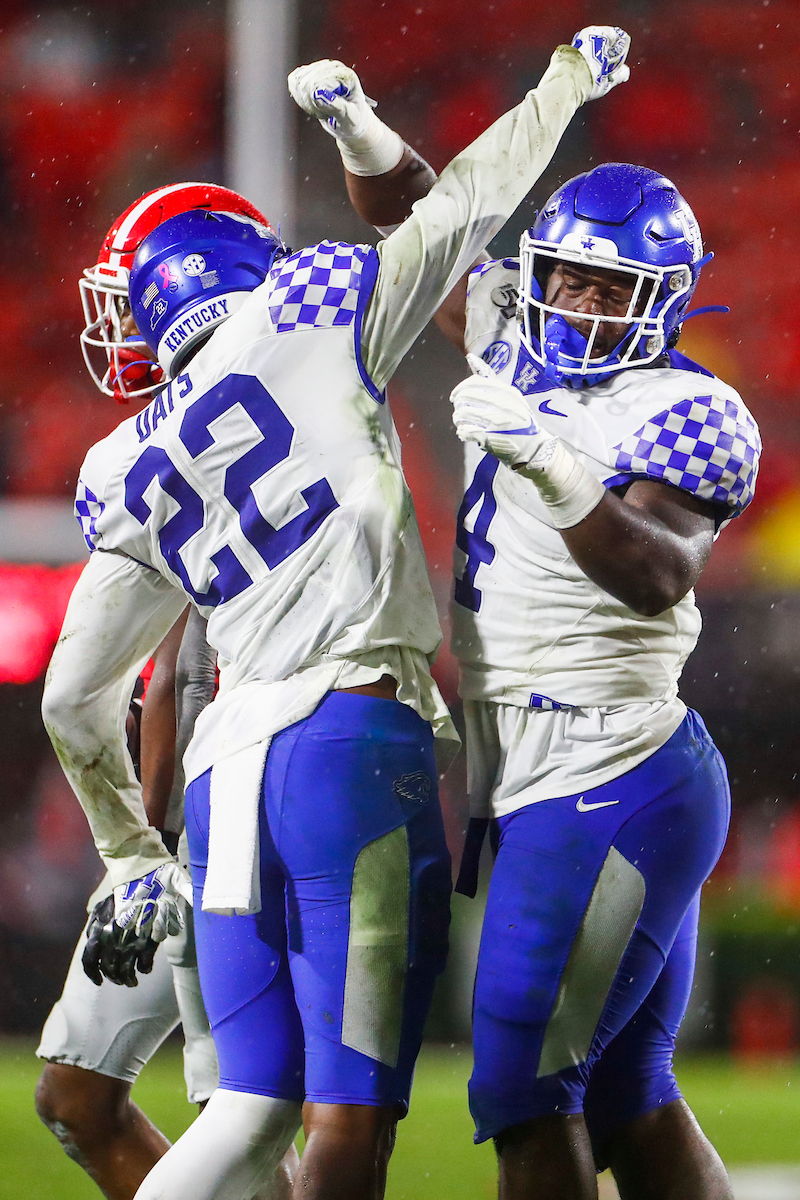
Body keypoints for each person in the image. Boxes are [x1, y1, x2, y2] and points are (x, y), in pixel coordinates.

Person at [41, 30, 628, 1200]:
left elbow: (71, 696)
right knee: (347, 1120)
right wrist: (564, 84)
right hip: (350, 745)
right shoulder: (309, 307)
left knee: (245, 1113)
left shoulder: (127, 457)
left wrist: (123, 852)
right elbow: (463, 206)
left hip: (220, 779)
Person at [291, 35, 759, 1200]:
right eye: (564, 278)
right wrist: (364, 135)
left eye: (610, 290)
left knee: (518, 1090)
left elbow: (655, 572)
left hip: (609, 759)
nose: (576, 304)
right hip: (531, 758)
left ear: (665, 304)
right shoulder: (515, 330)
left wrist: (547, 464)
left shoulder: (687, 408)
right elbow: (423, 216)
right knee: (627, 1098)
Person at [36, 183, 299, 1200]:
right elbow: (160, 670)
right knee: (78, 1097)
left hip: (238, 803)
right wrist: (137, 854)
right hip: (181, 822)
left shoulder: (162, 450)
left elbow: (116, 684)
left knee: (240, 1125)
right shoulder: (163, 440)